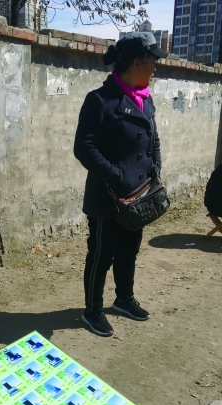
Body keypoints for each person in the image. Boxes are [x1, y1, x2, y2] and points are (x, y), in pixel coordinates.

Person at [74, 32, 168, 337]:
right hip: (109, 197)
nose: (155, 68)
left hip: (139, 195)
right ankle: (93, 310)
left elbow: (153, 139)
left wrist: (155, 169)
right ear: (137, 63)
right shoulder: (100, 100)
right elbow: (84, 148)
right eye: (152, 61)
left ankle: (124, 299)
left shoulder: (144, 98)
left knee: (129, 251)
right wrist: (116, 176)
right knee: (101, 256)